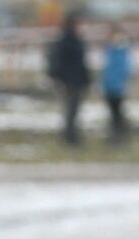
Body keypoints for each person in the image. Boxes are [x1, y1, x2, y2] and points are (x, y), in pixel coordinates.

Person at [48, 12, 91, 146]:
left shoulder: (77, 40)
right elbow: (59, 63)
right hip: (69, 82)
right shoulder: (65, 41)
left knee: (74, 111)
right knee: (70, 111)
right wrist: (62, 79)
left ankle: (71, 136)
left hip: (77, 81)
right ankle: (70, 138)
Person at [102, 26, 132, 145]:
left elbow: (124, 70)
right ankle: (116, 136)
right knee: (114, 114)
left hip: (118, 88)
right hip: (109, 87)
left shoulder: (121, 52)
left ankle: (120, 137)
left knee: (117, 114)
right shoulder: (110, 51)